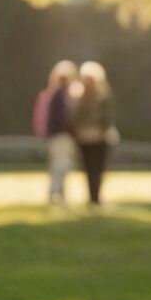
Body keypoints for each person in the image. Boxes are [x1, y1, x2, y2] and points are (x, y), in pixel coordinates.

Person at [70, 61, 118, 207]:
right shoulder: (97, 96)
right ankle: (95, 198)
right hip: (94, 138)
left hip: (88, 137)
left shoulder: (80, 96)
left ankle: (94, 197)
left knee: (91, 169)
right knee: (95, 169)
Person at [35, 60, 78, 204]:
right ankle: (56, 194)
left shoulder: (59, 95)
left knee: (60, 166)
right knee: (60, 167)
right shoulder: (59, 96)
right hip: (60, 136)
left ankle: (59, 194)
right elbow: (62, 119)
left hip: (58, 136)